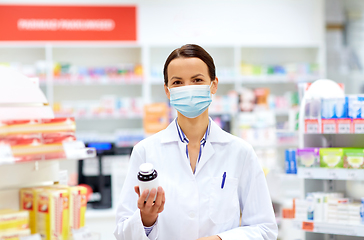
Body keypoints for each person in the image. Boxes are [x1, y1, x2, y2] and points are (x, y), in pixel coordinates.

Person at [114, 44, 278, 240]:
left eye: (197, 80)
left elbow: (265, 229)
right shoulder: (145, 151)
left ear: (213, 85)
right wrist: (146, 219)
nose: (188, 89)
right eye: (177, 82)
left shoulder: (240, 152)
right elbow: (122, 232)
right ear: (167, 90)